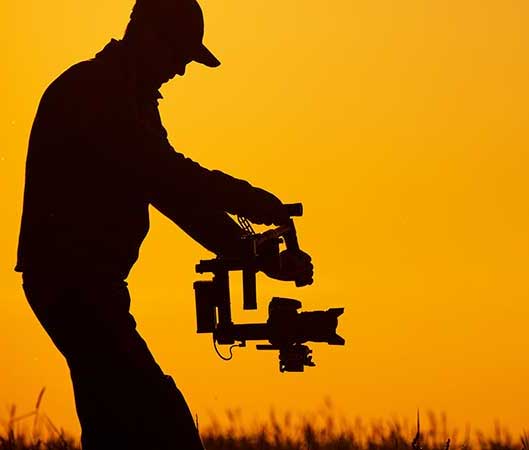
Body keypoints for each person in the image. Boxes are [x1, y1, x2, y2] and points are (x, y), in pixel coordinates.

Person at [15, 0, 313, 448]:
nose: (180, 70)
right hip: (73, 287)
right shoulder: (95, 93)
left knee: (114, 424)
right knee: (162, 422)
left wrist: (256, 255)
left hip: (92, 287)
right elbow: (165, 175)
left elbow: (176, 198)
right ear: (149, 38)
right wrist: (247, 199)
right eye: (179, 55)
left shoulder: (128, 99)